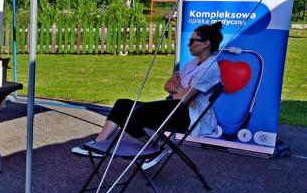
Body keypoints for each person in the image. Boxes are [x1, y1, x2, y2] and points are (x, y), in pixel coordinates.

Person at [72, 22, 223, 164]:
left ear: (206, 43)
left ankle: (148, 149)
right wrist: (179, 89)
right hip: (173, 106)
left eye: (192, 41)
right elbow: (168, 84)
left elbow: (184, 99)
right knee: (122, 104)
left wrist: (177, 88)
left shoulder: (210, 68)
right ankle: (102, 144)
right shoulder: (193, 63)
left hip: (186, 116)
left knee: (131, 113)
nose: (188, 45)